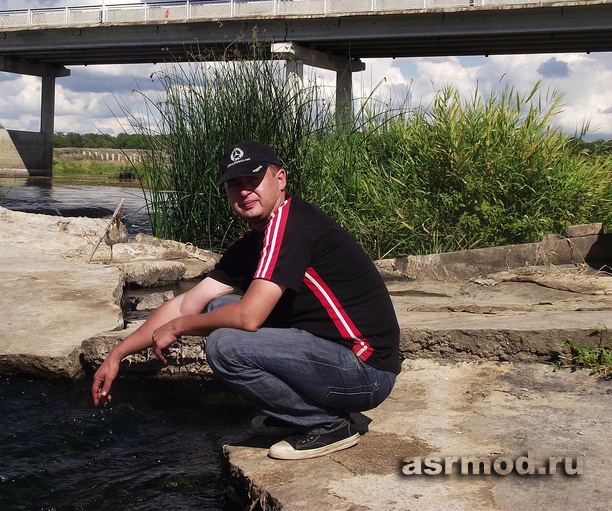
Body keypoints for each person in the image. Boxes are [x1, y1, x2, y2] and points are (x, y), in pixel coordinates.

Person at [92, 140, 401, 460]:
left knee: (225, 345)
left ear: (280, 179)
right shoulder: (254, 241)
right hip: (331, 355)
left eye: (253, 180)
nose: (244, 191)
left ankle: (326, 423)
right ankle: (300, 411)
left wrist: (181, 327)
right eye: (234, 184)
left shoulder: (292, 224)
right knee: (216, 307)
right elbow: (186, 304)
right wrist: (118, 353)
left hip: (366, 372)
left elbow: (248, 317)